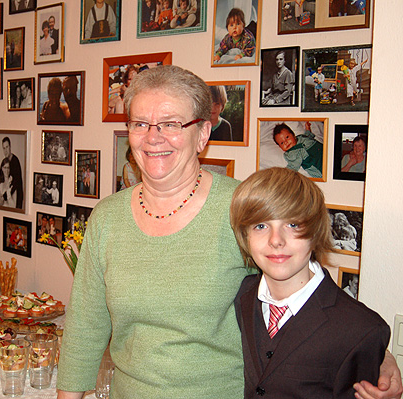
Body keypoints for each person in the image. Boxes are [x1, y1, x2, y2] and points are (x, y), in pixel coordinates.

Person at [56, 65, 402, 399]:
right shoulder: (108, 218)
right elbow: (85, 325)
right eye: (140, 123)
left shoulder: (243, 208)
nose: (152, 137)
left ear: (203, 134)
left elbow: (305, 294)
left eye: (171, 123)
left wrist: (374, 356)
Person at [230, 167, 390, 398]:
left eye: (293, 225)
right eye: (261, 226)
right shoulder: (241, 296)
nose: (276, 241)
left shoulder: (361, 329)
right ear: (245, 236)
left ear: (315, 232)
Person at [0, 137, 23, 209]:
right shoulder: (3, 162)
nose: (5, 150)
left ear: (10, 147)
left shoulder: (15, 161)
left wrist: (4, 196)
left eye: (7, 147)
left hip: (16, 198)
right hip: (6, 198)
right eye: (4, 148)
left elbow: (16, 183)